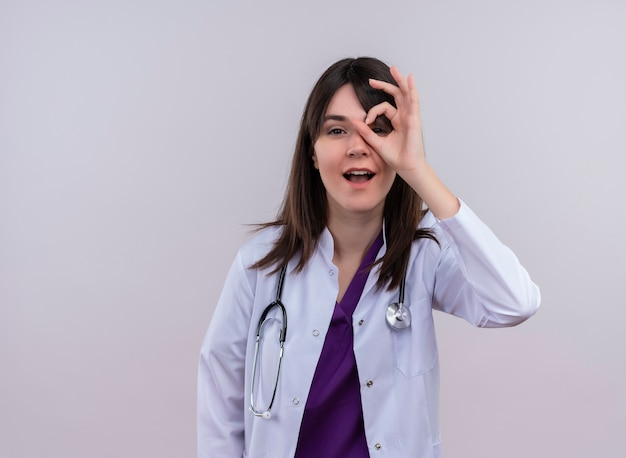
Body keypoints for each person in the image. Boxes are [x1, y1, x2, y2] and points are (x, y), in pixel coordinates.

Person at [197, 57, 540, 458]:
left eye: (377, 130)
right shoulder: (260, 264)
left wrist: (418, 170)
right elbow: (220, 405)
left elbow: (515, 303)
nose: (358, 146)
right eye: (337, 130)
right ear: (312, 151)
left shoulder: (424, 256)